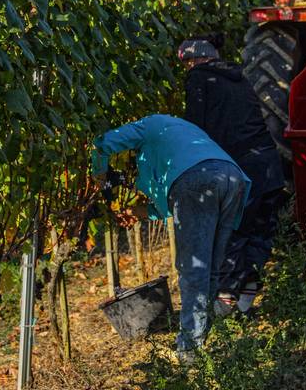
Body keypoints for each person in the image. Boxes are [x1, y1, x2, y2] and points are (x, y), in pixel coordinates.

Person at [91, 114, 249, 361]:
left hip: (197, 182)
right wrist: (138, 212)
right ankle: (201, 340)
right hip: (232, 178)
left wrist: (99, 175)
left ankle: (189, 351)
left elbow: (103, 143)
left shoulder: (149, 125)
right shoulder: (180, 135)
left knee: (193, 270)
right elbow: (171, 205)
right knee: (211, 268)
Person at [178, 39, 286, 315]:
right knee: (259, 232)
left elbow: (195, 127)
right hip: (270, 167)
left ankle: (225, 303)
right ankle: (246, 300)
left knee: (231, 231)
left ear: (195, 61)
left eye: (186, 63)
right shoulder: (241, 78)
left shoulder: (199, 79)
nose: (187, 68)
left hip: (242, 169)